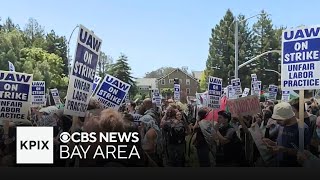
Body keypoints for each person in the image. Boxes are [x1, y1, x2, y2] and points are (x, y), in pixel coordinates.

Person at [263, 102, 310, 167]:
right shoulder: (281, 125)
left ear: (288, 116)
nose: (277, 121)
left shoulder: (302, 128)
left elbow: (305, 153)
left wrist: (285, 150)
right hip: (279, 163)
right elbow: (284, 144)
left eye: (279, 119)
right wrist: (273, 143)